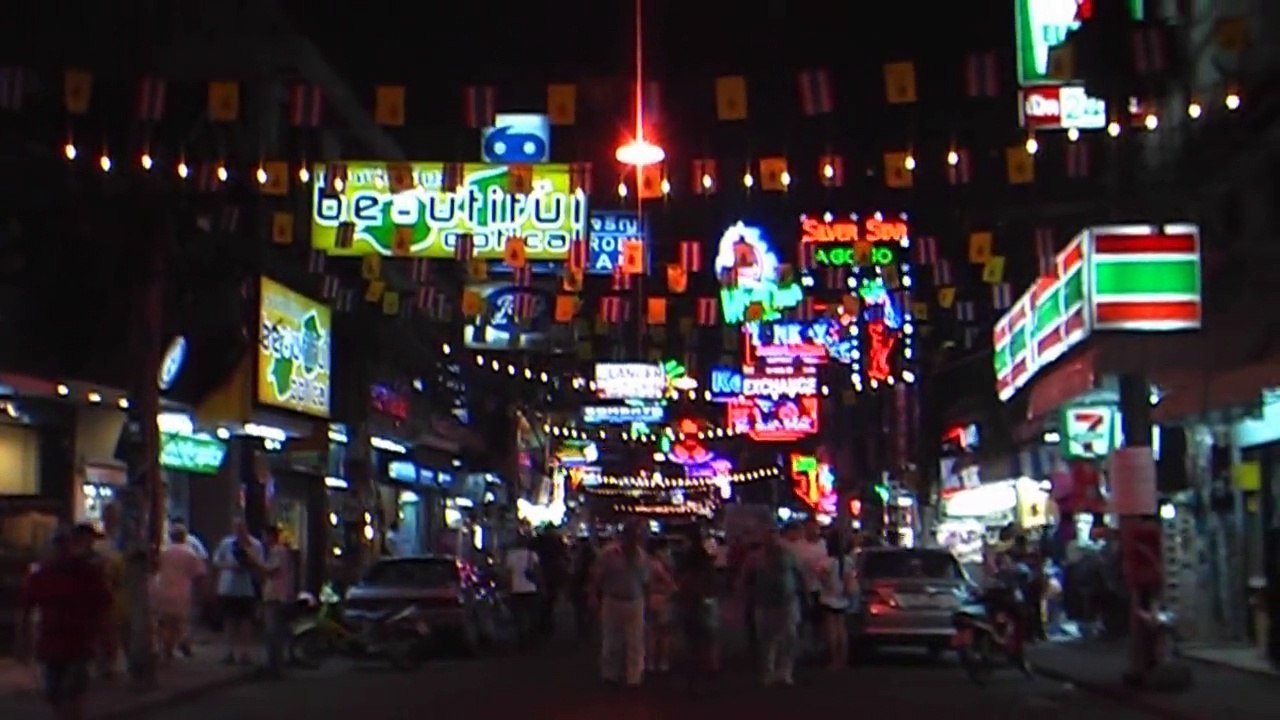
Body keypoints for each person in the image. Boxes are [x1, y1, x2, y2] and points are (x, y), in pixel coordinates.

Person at [19, 524, 112, 720]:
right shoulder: (42, 576)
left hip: (77, 642)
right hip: (55, 642)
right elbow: (27, 609)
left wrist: (103, 638)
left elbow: (102, 607)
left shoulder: (86, 573)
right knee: (55, 692)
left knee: (70, 693)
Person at [741, 525, 805, 686]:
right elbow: (745, 578)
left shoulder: (788, 555)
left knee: (789, 638)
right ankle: (768, 671)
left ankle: (785, 671)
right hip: (764, 602)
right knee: (767, 640)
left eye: (774, 535)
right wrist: (745, 596)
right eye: (768, 536)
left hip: (787, 601)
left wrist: (804, 595)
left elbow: (799, 575)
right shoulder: (756, 557)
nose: (772, 539)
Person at [591, 522, 649, 686]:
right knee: (611, 641)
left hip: (635, 601)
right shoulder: (609, 554)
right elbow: (598, 576)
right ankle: (610, 674)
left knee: (635, 642)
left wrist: (648, 599)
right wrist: (594, 595)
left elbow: (645, 581)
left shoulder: (642, 556)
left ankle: (634, 677)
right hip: (612, 599)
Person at [151, 525, 207, 665]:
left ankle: (162, 647)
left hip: (161, 588)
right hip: (181, 591)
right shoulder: (190, 553)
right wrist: (203, 593)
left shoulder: (164, 552)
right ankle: (168, 651)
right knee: (175, 624)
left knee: (162, 622)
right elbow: (200, 575)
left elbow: (155, 567)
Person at [212, 519, 264, 665]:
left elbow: (260, 564)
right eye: (236, 528)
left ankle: (245, 652)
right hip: (228, 587)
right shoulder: (226, 543)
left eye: (241, 527)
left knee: (245, 621)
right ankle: (230, 652)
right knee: (230, 620)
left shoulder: (255, 545)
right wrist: (229, 566)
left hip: (246, 588)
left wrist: (249, 562)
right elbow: (216, 561)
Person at [677, 526, 721, 686]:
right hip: (706, 602)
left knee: (694, 641)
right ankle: (710, 670)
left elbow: (683, 580)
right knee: (708, 639)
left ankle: (695, 673)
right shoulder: (706, 560)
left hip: (693, 603)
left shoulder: (687, 560)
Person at [91, 503, 125, 680]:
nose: (114, 519)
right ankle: (103, 665)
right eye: (110, 515)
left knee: (112, 631)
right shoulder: (99, 542)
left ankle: (107, 664)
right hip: (102, 592)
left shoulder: (122, 540)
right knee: (103, 631)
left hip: (117, 593)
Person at [815, 534, 858, 669]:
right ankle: (843, 659)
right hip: (843, 597)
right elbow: (849, 578)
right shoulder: (847, 561)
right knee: (842, 629)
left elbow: (822, 580)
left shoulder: (826, 562)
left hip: (829, 597)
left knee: (832, 630)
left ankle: (834, 660)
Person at [166, 520, 208, 658]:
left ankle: (168, 647)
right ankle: (182, 643)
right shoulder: (190, 552)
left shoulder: (165, 551)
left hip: (164, 588)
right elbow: (200, 571)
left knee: (167, 620)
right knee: (183, 620)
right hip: (184, 589)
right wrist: (203, 590)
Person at [256, 525, 292, 678]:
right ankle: (275, 664)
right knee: (274, 631)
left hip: (275, 594)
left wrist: (256, 561)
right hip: (275, 594)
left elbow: (271, 569)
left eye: (265, 536)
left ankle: (274, 666)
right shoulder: (277, 551)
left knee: (273, 631)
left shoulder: (278, 551)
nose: (264, 540)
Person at [644, 539, 678, 673]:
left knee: (651, 633)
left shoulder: (644, 564)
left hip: (649, 598)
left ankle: (650, 662)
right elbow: (669, 582)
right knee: (664, 634)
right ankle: (663, 662)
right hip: (662, 599)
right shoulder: (658, 565)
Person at [504, 535, 542, 648]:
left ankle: (521, 639)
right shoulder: (532, 555)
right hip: (531, 588)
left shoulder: (510, 556)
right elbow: (537, 571)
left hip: (516, 589)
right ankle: (532, 640)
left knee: (518, 617)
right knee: (532, 616)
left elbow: (508, 574)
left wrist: (508, 588)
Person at [570, 537, 597, 640]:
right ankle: (588, 629)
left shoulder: (576, 559)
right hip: (589, 585)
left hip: (579, 586)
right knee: (589, 609)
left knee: (579, 610)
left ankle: (582, 630)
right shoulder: (594, 558)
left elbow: (573, 573)